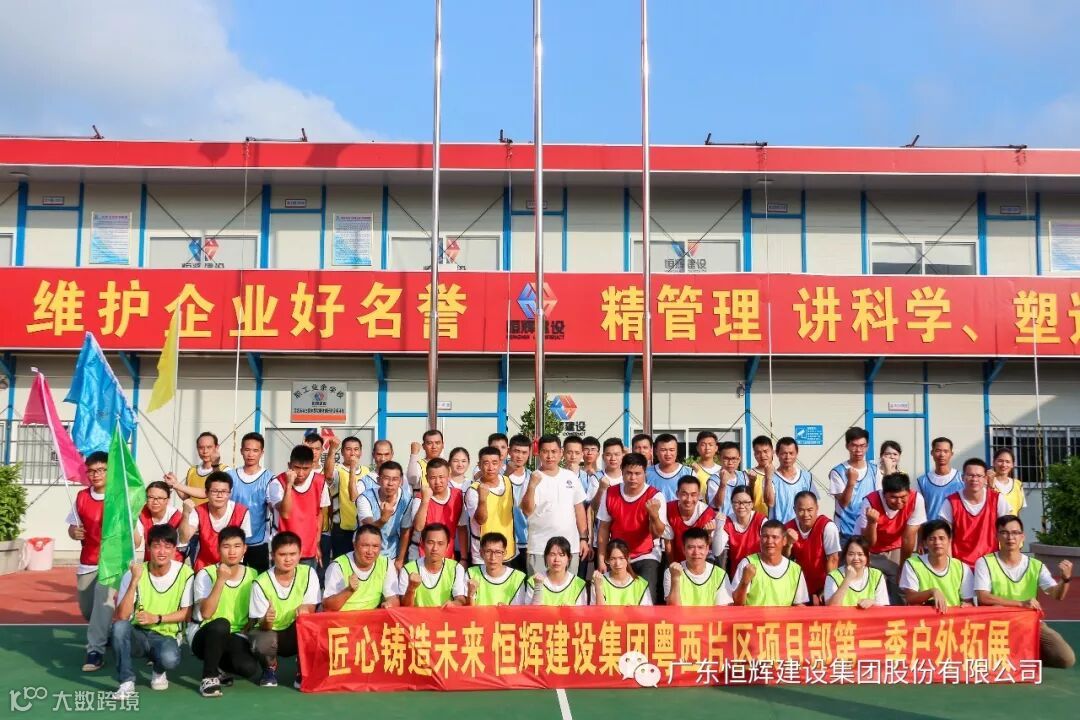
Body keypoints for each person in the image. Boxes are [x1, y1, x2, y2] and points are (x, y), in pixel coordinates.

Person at [974, 515, 1075, 669]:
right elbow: (983, 597)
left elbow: (1057, 594)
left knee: (1066, 658)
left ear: (1022, 536)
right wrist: (1021, 604)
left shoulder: (1036, 565)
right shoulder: (985, 562)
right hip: (996, 624)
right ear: (997, 536)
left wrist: (1065, 579)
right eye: (1004, 533)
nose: (1010, 537)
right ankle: (1014, 656)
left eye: (1015, 533)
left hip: (1029, 622)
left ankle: (1026, 656)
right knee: (991, 665)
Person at [111, 525, 194, 698]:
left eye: (167, 546)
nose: (162, 552)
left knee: (169, 659)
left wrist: (156, 618)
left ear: (174, 549)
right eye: (156, 546)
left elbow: (187, 614)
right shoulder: (134, 573)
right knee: (119, 628)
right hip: (138, 633)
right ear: (148, 548)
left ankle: (159, 669)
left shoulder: (186, 573)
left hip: (167, 636)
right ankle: (126, 682)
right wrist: (134, 581)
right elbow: (122, 616)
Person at [189, 526, 260, 698]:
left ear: (245, 548)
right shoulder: (205, 574)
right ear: (218, 548)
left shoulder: (253, 574)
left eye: (237, 546)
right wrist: (221, 580)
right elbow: (206, 613)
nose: (232, 551)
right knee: (221, 624)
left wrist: (248, 630)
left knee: (249, 668)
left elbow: (253, 612)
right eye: (226, 546)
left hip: (235, 635)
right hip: (204, 634)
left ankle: (220, 665)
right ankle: (209, 678)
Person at [249, 531, 320, 689]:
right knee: (261, 640)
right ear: (272, 555)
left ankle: (303, 669)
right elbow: (262, 625)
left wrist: (305, 608)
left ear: (300, 554)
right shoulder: (260, 582)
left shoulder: (309, 573)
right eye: (282, 554)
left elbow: (311, 607)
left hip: (295, 629)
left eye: (293, 554)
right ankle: (269, 667)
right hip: (270, 631)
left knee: (311, 623)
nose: (288, 559)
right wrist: (267, 619)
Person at [596, 452, 668, 604]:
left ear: (645, 473)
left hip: (646, 554)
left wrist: (654, 515)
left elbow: (658, 533)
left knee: (646, 597)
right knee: (615, 598)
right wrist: (602, 560)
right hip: (617, 556)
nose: (633, 478)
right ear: (621, 472)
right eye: (628, 473)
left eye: (637, 473)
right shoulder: (610, 493)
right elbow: (603, 529)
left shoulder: (655, 496)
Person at [66, 451, 112, 672]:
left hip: (111, 562)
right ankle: (107, 633)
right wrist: (74, 532)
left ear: (110, 471)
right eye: (92, 471)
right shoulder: (81, 497)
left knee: (102, 605)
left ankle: (95, 652)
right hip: (88, 561)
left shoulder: (119, 496)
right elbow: (72, 527)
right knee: (88, 611)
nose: (96, 475)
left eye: (101, 470)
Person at [520, 435, 589, 577]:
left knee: (569, 588)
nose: (550, 456)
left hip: (569, 547)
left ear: (561, 452)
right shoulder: (531, 478)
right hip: (540, 548)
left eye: (554, 451)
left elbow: (579, 509)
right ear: (538, 453)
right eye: (545, 451)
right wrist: (532, 486)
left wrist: (583, 539)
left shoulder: (570, 477)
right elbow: (527, 511)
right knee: (539, 589)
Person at [854, 471, 926, 604]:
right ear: (884, 494)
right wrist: (871, 523)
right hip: (871, 549)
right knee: (876, 584)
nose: (899, 501)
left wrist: (903, 568)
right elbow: (868, 542)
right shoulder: (869, 502)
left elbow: (908, 537)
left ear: (909, 492)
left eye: (903, 497)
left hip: (897, 545)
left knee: (901, 583)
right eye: (893, 497)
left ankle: (900, 612)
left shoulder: (917, 500)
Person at [937, 458, 1010, 567]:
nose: (974, 479)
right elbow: (946, 538)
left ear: (985, 478)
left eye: (979, 476)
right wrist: (951, 567)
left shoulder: (997, 499)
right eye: (970, 475)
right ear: (962, 477)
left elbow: (1007, 533)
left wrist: (1004, 563)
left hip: (990, 564)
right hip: (960, 566)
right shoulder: (951, 502)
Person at [269, 445, 330, 570]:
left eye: (305, 468)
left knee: (306, 581)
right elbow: (285, 513)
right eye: (297, 468)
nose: (301, 473)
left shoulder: (320, 482)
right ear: (289, 465)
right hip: (284, 549)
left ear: (312, 466)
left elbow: (319, 514)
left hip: (308, 549)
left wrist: (316, 543)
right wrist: (289, 485)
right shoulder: (277, 483)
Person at [180, 471, 252, 572]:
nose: (219, 495)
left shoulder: (242, 512)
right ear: (206, 493)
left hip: (231, 567)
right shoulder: (198, 511)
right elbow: (184, 539)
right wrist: (185, 514)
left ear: (230, 493)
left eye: (224, 491)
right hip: (204, 568)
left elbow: (242, 546)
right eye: (214, 491)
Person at [899, 519, 974, 612]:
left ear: (949, 540)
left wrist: (968, 605)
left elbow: (968, 601)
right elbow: (910, 597)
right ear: (925, 543)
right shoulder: (912, 564)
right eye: (932, 539)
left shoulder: (962, 568)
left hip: (952, 619)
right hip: (924, 618)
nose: (937, 543)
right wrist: (932, 592)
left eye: (942, 538)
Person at [731, 520, 809, 607]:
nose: (769, 541)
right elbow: (736, 604)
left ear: (784, 541)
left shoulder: (795, 570)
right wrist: (744, 582)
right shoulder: (747, 564)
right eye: (765, 536)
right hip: (754, 616)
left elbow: (799, 605)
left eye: (775, 537)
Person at [322, 525, 399, 611]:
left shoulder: (386, 563)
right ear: (354, 545)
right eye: (365, 545)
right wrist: (349, 590)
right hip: (343, 618)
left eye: (375, 546)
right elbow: (327, 607)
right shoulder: (338, 566)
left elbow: (393, 598)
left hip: (372, 617)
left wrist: (389, 604)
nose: (370, 551)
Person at [227, 432, 274, 572]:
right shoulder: (230, 476)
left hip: (258, 541)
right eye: (247, 450)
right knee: (232, 579)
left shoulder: (270, 478)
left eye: (255, 450)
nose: (251, 454)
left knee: (259, 579)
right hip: (233, 541)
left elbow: (276, 508)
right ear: (241, 451)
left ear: (262, 452)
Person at [782, 491, 840, 603]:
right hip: (798, 585)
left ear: (817, 508)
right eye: (801, 510)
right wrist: (788, 544)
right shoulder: (788, 528)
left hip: (822, 584)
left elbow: (833, 559)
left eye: (810, 510)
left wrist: (828, 589)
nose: (806, 514)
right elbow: (783, 560)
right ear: (794, 510)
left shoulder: (828, 527)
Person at [321, 434, 372, 560]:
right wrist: (332, 449)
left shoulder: (367, 472)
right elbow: (328, 475)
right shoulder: (337, 469)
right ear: (342, 452)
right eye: (348, 449)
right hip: (341, 529)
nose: (352, 453)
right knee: (342, 562)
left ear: (361, 452)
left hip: (362, 527)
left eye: (356, 449)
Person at [357, 460, 413, 570]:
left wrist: (400, 560)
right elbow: (368, 530)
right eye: (386, 478)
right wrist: (383, 519)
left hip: (392, 554)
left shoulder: (407, 499)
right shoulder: (365, 497)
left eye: (395, 479)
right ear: (378, 480)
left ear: (401, 481)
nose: (390, 483)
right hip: (365, 553)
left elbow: (405, 531)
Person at [465, 447, 517, 565]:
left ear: (500, 464)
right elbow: (480, 520)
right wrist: (482, 499)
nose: (490, 468)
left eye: (494, 463)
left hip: (506, 551)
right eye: (486, 463)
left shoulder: (507, 482)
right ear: (479, 465)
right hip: (483, 555)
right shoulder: (473, 490)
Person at [408, 458, 466, 562]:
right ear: (427, 478)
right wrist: (425, 500)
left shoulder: (458, 495)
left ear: (448, 476)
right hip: (422, 555)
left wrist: (464, 558)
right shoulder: (420, 497)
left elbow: (462, 528)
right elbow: (418, 527)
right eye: (433, 478)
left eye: (441, 477)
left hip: (447, 556)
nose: (437, 482)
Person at [829, 426, 879, 544]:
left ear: (867, 446)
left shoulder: (875, 470)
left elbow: (879, 500)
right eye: (854, 445)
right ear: (847, 446)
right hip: (844, 531)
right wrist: (851, 482)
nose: (858, 450)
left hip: (866, 530)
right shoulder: (838, 471)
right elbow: (843, 503)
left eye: (862, 446)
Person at [400, 523, 467, 607]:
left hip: (445, 615)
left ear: (447, 546)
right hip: (418, 616)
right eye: (430, 543)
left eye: (440, 543)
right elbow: (405, 608)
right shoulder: (407, 570)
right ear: (422, 544)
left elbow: (460, 599)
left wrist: (454, 604)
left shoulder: (456, 568)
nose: (435, 548)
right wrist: (411, 588)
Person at [664, 528, 733, 606]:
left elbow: (722, 610)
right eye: (691, 547)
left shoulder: (720, 575)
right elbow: (673, 609)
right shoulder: (671, 572)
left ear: (707, 549)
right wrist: (675, 579)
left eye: (700, 547)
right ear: (683, 549)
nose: (696, 552)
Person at [664, 476, 717, 564]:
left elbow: (707, 546)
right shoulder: (668, 509)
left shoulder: (707, 513)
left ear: (699, 495)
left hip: (701, 560)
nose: (689, 499)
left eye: (693, 495)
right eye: (684, 494)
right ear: (677, 494)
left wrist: (708, 534)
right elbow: (668, 544)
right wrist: (672, 566)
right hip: (677, 559)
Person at [465, 532, 529, 606]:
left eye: (498, 552)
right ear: (481, 553)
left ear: (504, 553)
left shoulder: (517, 577)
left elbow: (519, 610)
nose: (493, 557)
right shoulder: (471, 573)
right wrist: (470, 595)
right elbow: (466, 609)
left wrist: (506, 609)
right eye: (488, 552)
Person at [824, 536, 889, 608]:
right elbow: (832, 608)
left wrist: (872, 602)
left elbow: (883, 607)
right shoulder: (833, 576)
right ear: (845, 555)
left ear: (867, 556)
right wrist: (847, 579)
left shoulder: (877, 575)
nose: (855, 558)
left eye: (860, 554)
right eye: (851, 554)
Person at [172, 432, 229, 507]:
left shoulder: (225, 470)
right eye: (201, 447)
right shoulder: (192, 470)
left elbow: (206, 493)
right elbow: (187, 497)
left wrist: (177, 485)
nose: (205, 451)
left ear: (216, 447)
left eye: (209, 447)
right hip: (194, 514)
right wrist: (174, 483)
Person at [721, 485, 767, 576]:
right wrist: (718, 527)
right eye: (737, 502)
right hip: (736, 574)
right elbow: (717, 551)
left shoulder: (761, 521)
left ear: (752, 504)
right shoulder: (726, 522)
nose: (741, 506)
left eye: (746, 502)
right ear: (731, 503)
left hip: (759, 572)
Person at [528, 537, 588, 606]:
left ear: (569, 558)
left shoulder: (578, 584)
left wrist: (570, 611)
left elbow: (582, 611)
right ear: (546, 557)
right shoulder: (534, 581)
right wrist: (538, 587)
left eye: (561, 555)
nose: (557, 559)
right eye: (552, 554)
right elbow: (528, 611)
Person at [135, 481, 186, 562]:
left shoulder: (176, 516)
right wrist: (133, 519)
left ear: (167, 500)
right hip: (150, 563)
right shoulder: (140, 513)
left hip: (173, 563)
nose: (155, 502)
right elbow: (136, 544)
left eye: (160, 498)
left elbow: (183, 541)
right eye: (151, 497)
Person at [769, 437, 816, 524]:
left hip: (802, 528)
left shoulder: (806, 477)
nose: (788, 457)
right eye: (784, 453)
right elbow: (770, 502)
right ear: (777, 454)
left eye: (791, 453)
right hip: (779, 528)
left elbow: (813, 504)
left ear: (796, 454)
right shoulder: (771, 478)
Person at [591, 539, 651, 606]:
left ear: (628, 558)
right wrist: (598, 588)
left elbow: (647, 611)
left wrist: (634, 610)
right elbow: (597, 611)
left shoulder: (641, 584)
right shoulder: (599, 580)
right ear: (607, 560)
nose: (617, 563)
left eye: (621, 558)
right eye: (613, 559)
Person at [916, 437, 963, 522]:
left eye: (946, 451)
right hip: (931, 528)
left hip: (956, 528)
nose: (942, 455)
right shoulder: (922, 481)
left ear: (951, 454)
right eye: (938, 451)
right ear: (932, 453)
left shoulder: (962, 479)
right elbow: (918, 511)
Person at [505, 434, 533, 572]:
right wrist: (505, 475)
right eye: (516, 451)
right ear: (509, 451)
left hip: (528, 542)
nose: (520, 456)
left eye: (524, 452)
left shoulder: (533, 477)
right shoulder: (498, 476)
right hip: (505, 541)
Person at [707, 441, 749, 515]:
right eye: (726, 458)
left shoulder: (744, 476)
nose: (730, 463)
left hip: (741, 519)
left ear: (739, 459)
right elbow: (716, 505)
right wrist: (722, 484)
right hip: (723, 520)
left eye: (734, 458)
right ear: (719, 458)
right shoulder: (714, 480)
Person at [646, 433, 691, 501]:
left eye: (671, 450)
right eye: (663, 450)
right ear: (656, 451)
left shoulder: (689, 473)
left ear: (677, 451)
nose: (668, 454)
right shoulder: (647, 473)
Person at [744, 435, 777, 516]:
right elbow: (744, 499)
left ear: (773, 452)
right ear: (754, 454)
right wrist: (751, 482)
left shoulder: (780, 475)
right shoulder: (747, 474)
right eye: (758, 452)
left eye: (766, 451)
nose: (762, 455)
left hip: (777, 521)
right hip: (756, 519)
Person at [991, 448, 1026, 517]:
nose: (1004, 465)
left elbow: (1017, 512)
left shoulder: (1018, 485)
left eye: (1007, 462)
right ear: (993, 463)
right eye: (1000, 461)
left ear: (1012, 464)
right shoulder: (986, 483)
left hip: (1012, 523)